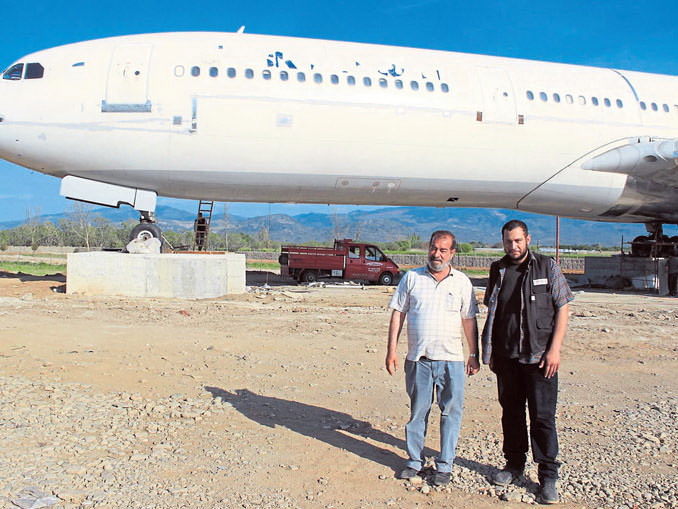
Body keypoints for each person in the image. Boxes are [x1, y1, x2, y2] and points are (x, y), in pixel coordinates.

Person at [481, 220, 573, 504]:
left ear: (528, 239)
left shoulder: (547, 267)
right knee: (511, 413)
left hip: (540, 358)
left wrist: (554, 349)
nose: (513, 246)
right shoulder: (498, 269)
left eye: (518, 241)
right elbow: (493, 310)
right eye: (509, 241)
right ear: (503, 242)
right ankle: (514, 465)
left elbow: (564, 307)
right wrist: (491, 351)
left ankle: (547, 476)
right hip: (508, 357)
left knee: (543, 417)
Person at [385, 230, 480, 486]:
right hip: (419, 359)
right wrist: (391, 350)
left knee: (451, 412)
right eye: (433, 248)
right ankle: (415, 461)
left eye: (443, 250)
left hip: (451, 361)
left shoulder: (462, 282)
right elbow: (398, 314)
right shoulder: (412, 278)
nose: (436, 254)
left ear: (452, 254)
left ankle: (445, 465)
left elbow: (469, 319)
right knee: (418, 412)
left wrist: (473, 354)